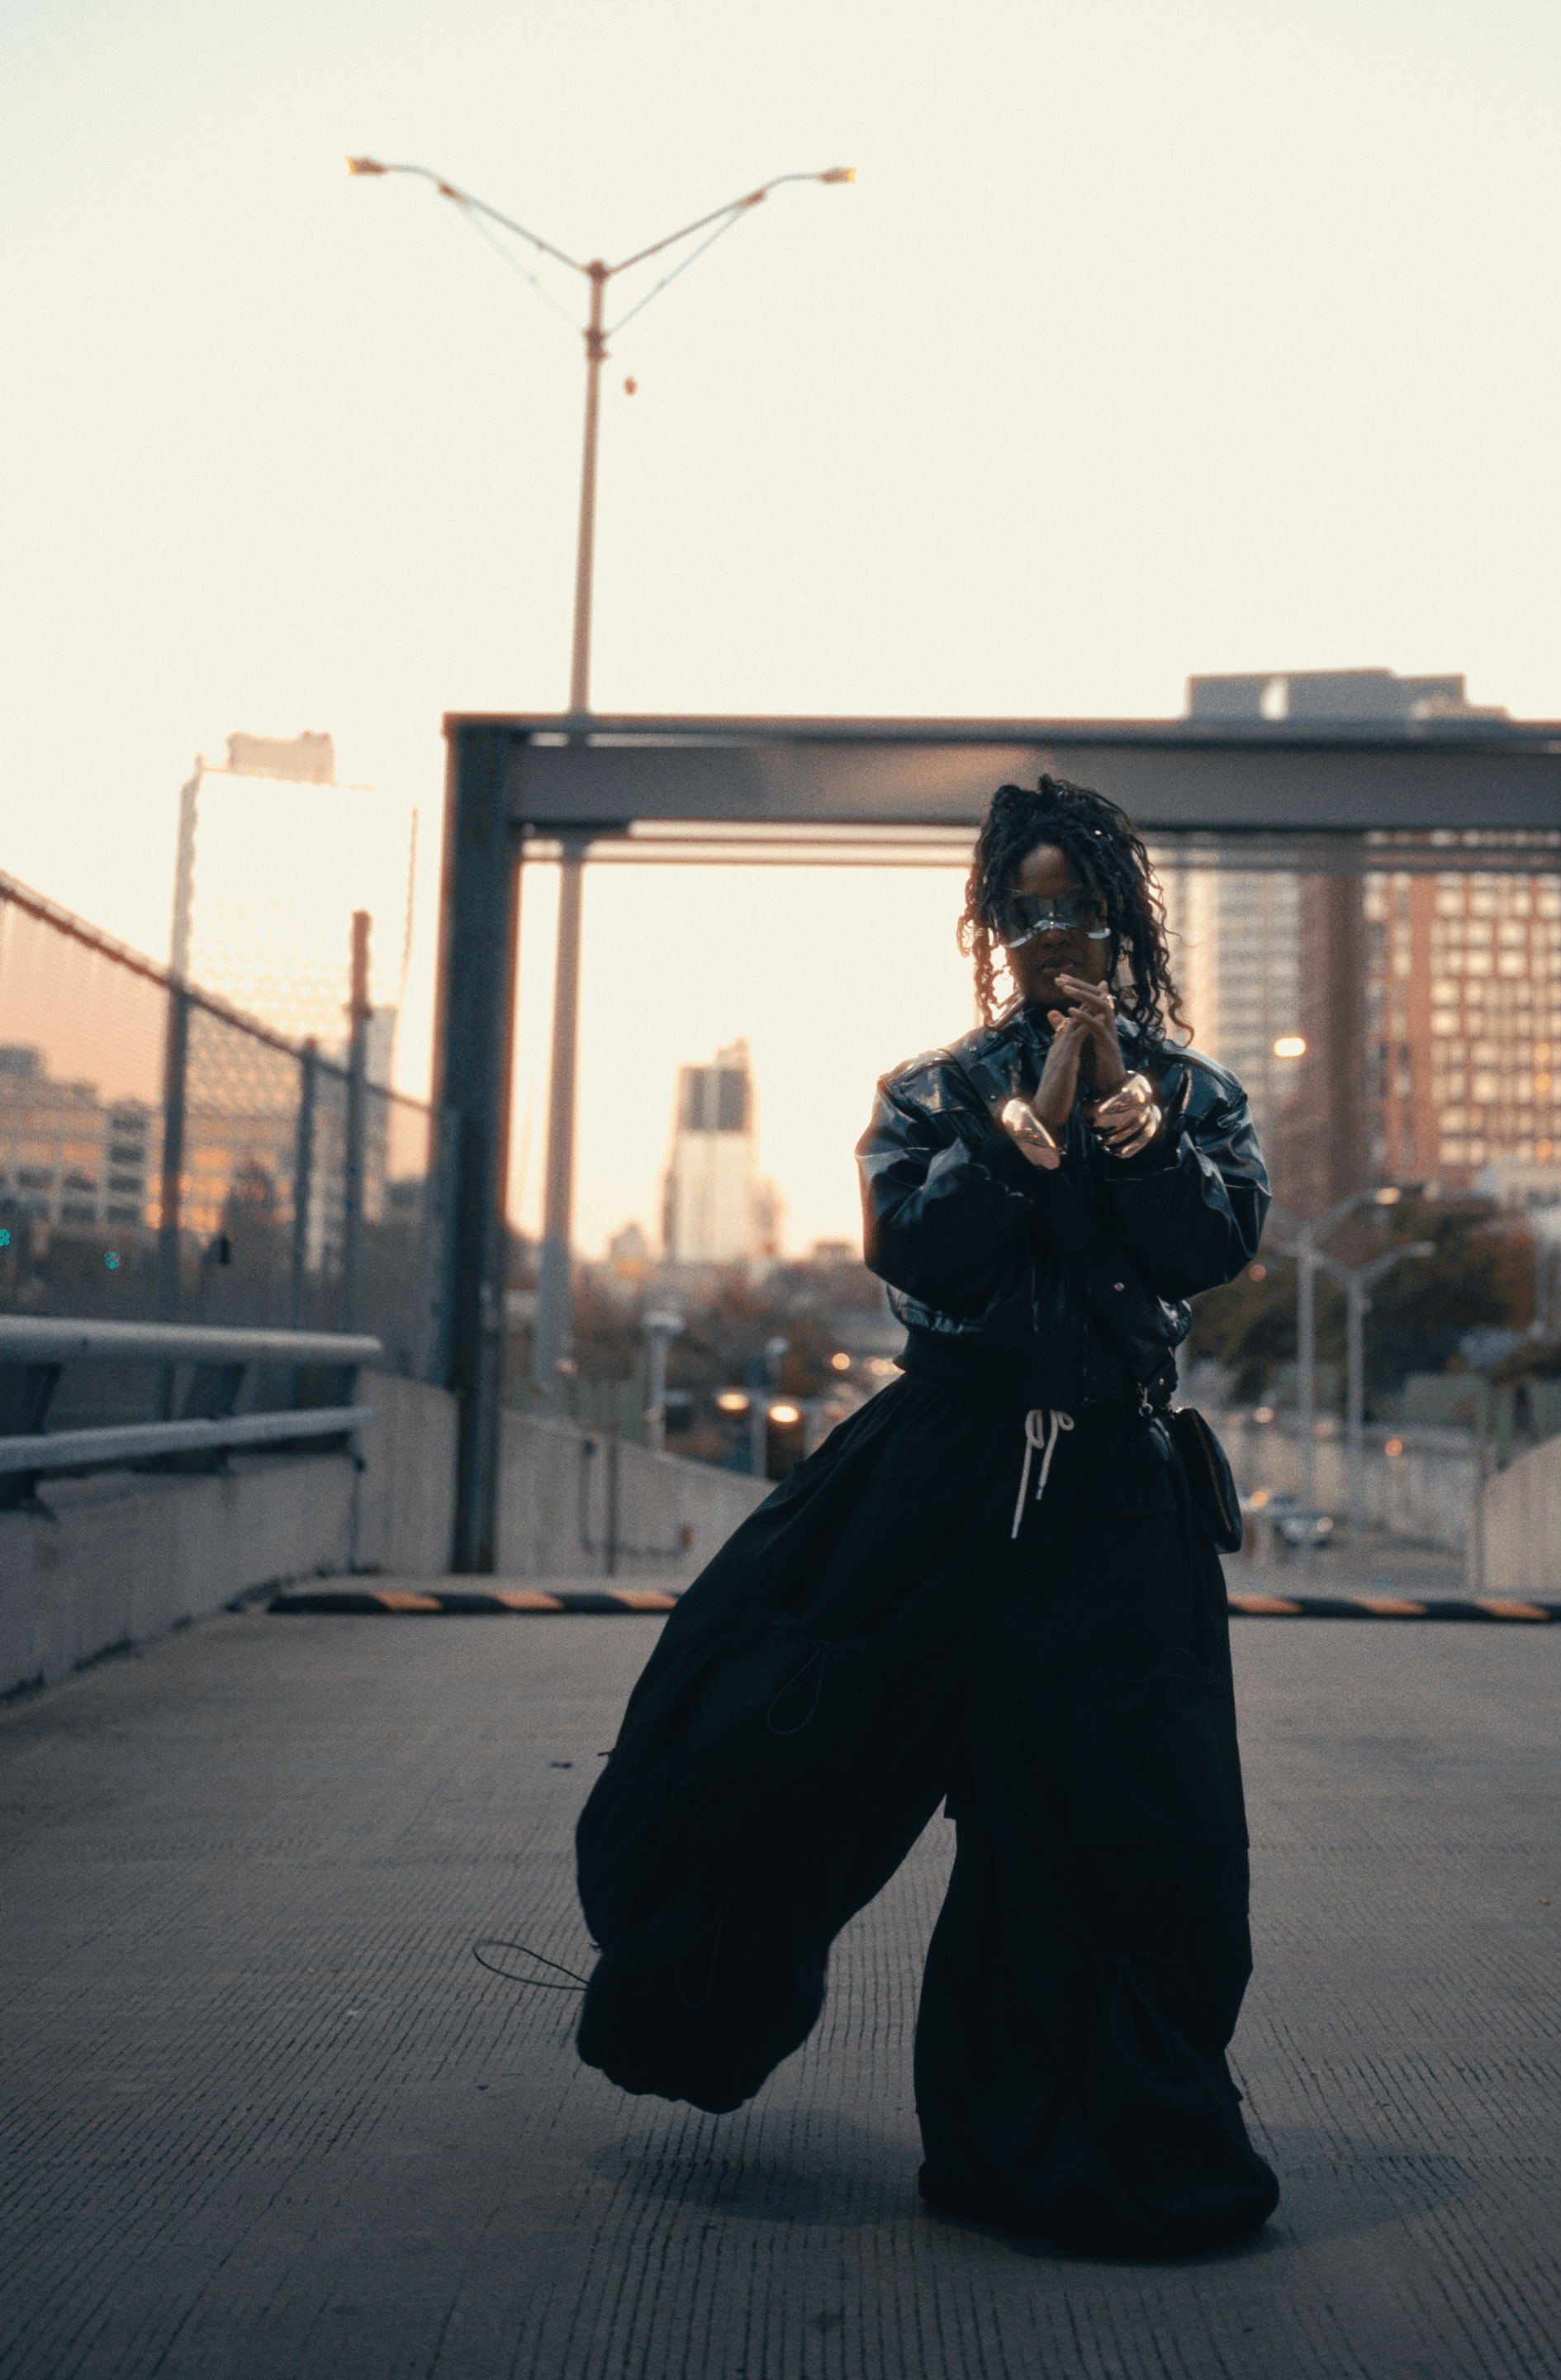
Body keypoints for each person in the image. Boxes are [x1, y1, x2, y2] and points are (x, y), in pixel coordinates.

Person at [575, 773, 1279, 2255]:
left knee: (1130, 1824)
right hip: (943, 1476)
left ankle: (1085, 2130)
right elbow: (924, 1251)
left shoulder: (1199, 1095)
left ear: (1122, 918)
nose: (1050, 936)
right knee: (778, 1733)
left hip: (1115, 1491)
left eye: (1074, 906)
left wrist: (1137, 1121)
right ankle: (699, 2000)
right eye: (1023, 911)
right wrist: (1027, 1125)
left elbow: (1211, 1243)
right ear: (991, 924)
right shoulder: (934, 1089)